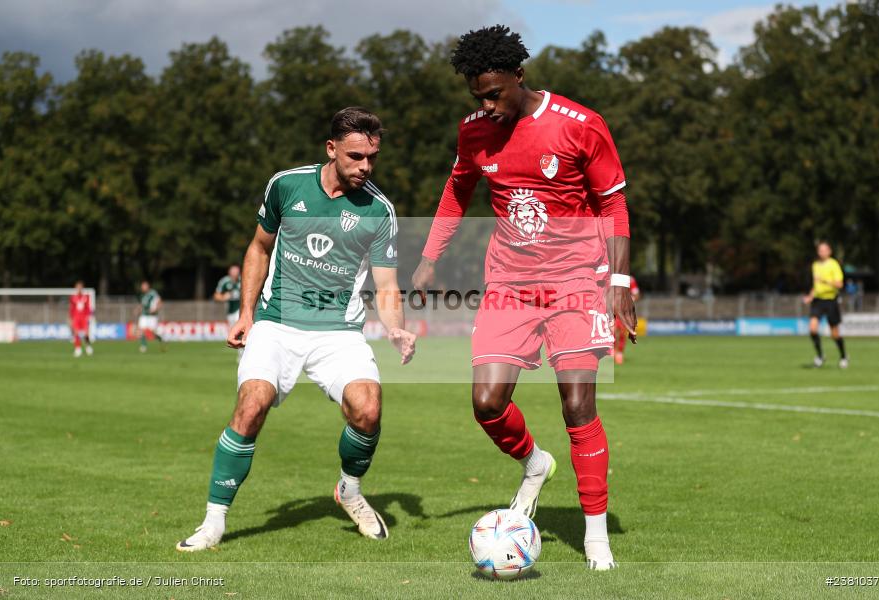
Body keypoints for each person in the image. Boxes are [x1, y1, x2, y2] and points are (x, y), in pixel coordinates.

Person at [411, 25, 635, 571]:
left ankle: (596, 536)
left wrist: (620, 281)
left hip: (577, 280)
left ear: (519, 76)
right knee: (486, 404)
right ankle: (535, 463)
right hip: (509, 283)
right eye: (478, 97)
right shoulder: (474, 133)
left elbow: (614, 205)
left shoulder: (581, 126)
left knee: (578, 404)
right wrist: (428, 258)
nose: (487, 106)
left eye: (495, 93)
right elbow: (457, 189)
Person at [176, 107, 416, 552]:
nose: (366, 166)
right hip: (278, 323)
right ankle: (213, 521)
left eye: (373, 157)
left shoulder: (380, 210)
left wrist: (397, 329)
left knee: (368, 409)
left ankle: (349, 489)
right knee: (251, 407)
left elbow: (386, 285)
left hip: (338, 331)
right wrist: (246, 313)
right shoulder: (286, 185)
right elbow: (259, 247)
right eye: (356, 155)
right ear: (331, 149)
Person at [803, 241, 847, 368]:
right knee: (812, 328)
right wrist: (810, 296)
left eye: (824, 250)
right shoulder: (815, 265)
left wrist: (825, 281)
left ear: (829, 251)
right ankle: (820, 356)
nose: (821, 252)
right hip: (818, 301)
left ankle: (843, 356)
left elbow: (840, 284)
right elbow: (816, 286)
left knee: (835, 334)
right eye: (819, 250)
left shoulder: (834, 265)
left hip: (830, 300)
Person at [215, 264, 242, 358]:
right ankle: (240, 354)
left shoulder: (243, 280)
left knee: (241, 332)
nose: (234, 273)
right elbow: (216, 296)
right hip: (230, 311)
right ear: (229, 272)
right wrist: (223, 297)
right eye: (233, 271)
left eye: (236, 271)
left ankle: (242, 356)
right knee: (235, 334)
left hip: (241, 311)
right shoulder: (224, 282)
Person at [613, 276, 640, 365]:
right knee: (612, 330)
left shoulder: (630, 280)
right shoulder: (608, 278)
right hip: (611, 309)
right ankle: (613, 352)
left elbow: (636, 294)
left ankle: (618, 353)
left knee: (620, 331)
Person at [136, 280, 165, 353]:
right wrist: (138, 309)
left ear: (147, 286)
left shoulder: (153, 293)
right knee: (140, 330)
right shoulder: (142, 295)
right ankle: (143, 346)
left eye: (144, 286)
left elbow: (160, 302)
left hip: (152, 316)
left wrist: (155, 309)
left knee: (154, 333)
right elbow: (142, 304)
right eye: (142, 286)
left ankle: (161, 340)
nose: (142, 288)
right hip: (144, 315)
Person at [68, 280, 94, 357]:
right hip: (76, 318)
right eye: (77, 287)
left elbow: (88, 308)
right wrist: (70, 318)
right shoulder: (73, 297)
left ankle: (88, 347)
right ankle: (78, 349)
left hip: (84, 318)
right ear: (75, 288)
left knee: (86, 333)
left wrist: (89, 316)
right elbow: (71, 309)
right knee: (76, 333)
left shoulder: (86, 297)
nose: (79, 288)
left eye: (80, 287)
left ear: (82, 288)